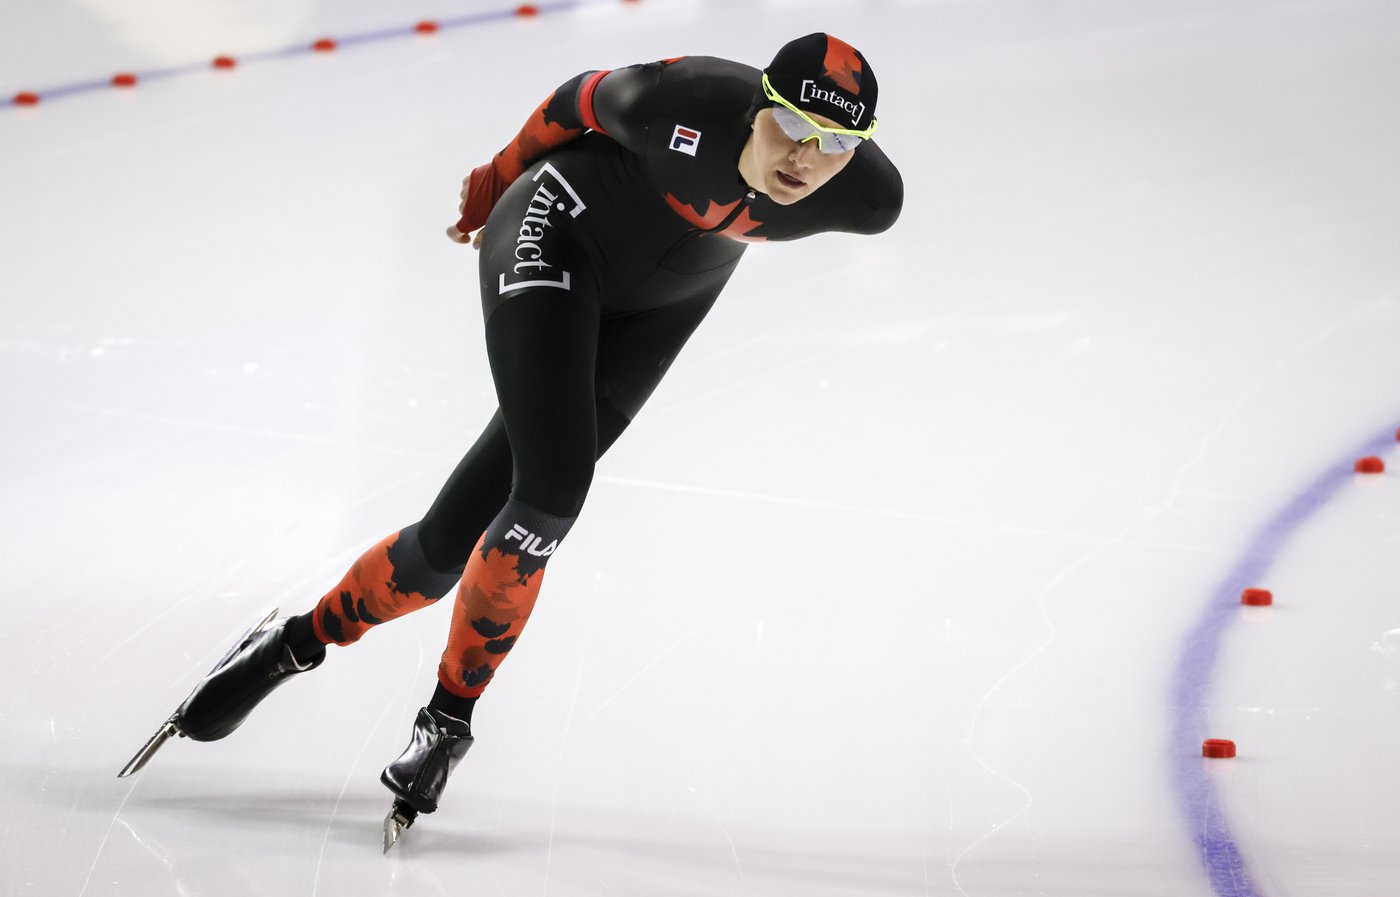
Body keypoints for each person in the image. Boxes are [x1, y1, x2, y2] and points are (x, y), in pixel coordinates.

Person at [127, 32, 903, 850]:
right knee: (552, 490)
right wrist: (495, 179)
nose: (808, 159)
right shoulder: (682, 101)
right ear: (758, 108)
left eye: (839, 143)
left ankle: (291, 642)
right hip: (553, 231)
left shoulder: (865, 198)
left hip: (666, 303)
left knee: (437, 556)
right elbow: (575, 99)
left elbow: (836, 168)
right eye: (792, 130)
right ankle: (446, 723)